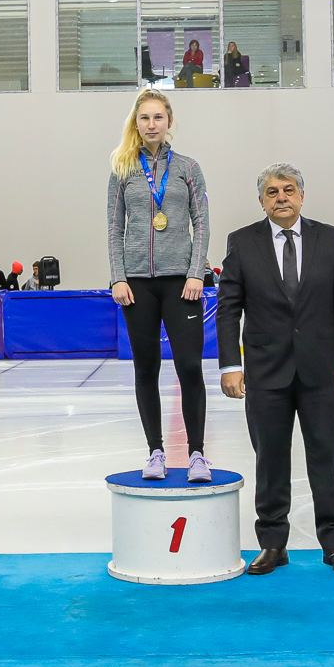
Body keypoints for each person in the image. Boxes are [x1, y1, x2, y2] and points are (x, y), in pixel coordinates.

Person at [218, 162, 334, 576]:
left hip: (320, 371)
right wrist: (231, 365)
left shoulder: (328, 237)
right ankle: (272, 544)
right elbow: (228, 308)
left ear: (301, 195)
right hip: (266, 371)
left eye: (288, 190)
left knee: (326, 457)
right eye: (272, 192)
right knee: (271, 460)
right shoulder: (242, 242)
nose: (281, 197)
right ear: (261, 201)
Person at [108, 88, 213, 481]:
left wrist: (196, 272)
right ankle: (155, 451)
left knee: (189, 366)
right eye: (144, 118)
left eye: (158, 117)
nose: (151, 124)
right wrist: (118, 277)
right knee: (146, 367)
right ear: (135, 123)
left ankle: (197, 454)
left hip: (181, 283)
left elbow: (201, 223)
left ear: (169, 122)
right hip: (137, 284)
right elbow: (114, 227)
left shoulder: (188, 168)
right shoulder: (122, 169)